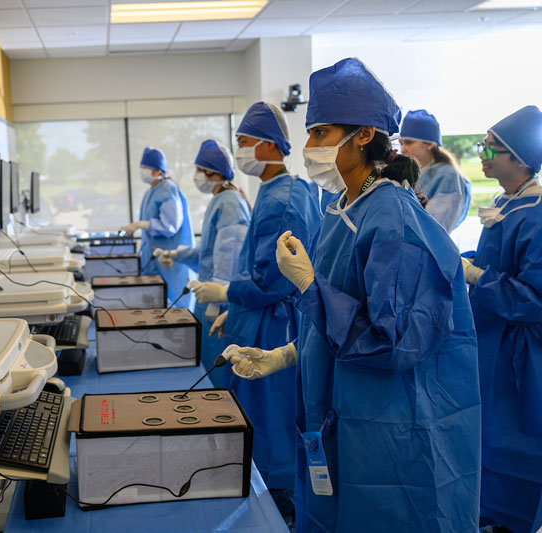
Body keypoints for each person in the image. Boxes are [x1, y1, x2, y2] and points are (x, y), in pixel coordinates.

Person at [230, 58, 481, 532]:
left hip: (391, 427)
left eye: (320, 133)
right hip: (345, 410)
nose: (308, 147)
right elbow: (348, 313)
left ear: (364, 134)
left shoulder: (393, 219)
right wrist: (288, 353)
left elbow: (393, 343)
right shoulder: (343, 207)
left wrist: (307, 285)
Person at [194, 101, 322, 521]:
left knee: (270, 421)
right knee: (262, 416)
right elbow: (261, 268)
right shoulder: (278, 191)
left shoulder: (283, 200)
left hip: (275, 325)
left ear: (269, 145)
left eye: (244, 141)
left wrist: (228, 291)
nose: (240, 149)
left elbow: (274, 282)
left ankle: (276, 511)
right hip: (263, 317)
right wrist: (237, 308)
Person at [463, 105, 542, 533]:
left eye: (491, 150)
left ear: (521, 160)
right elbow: (500, 263)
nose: (483, 156)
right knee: (487, 440)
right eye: (483, 147)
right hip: (492, 341)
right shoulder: (506, 204)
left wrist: (478, 276)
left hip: (521, 353)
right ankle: (490, 518)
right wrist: (467, 262)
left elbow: (534, 297)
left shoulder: (537, 215)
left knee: (517, 442)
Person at [156, 139, 251, 386]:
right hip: (209, 296)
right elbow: (208, 251)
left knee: (222, 373)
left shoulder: (230, 203)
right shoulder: (219, 200)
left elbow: (229, 258)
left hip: (219, 303)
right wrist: (177, 254)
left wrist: (216, 298)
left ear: (214, 173)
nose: (196, 175)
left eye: (200, 170)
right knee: (210, 367)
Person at [121, 147, 194, 308]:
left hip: (169, 260)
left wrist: (141, 224)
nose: (142, 171)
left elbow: (170, 226)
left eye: (145, 168)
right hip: (153, 257)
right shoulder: (151, 192)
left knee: (175, 307)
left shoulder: (168, 189)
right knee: (155, 304)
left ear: (158, 170)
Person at [399, 109, 471, 231]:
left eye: (409, 142)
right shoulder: (415, 173)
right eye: (401, 143)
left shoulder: (447, 176)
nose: (403, 149)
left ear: (430, 144)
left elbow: (435, 227)